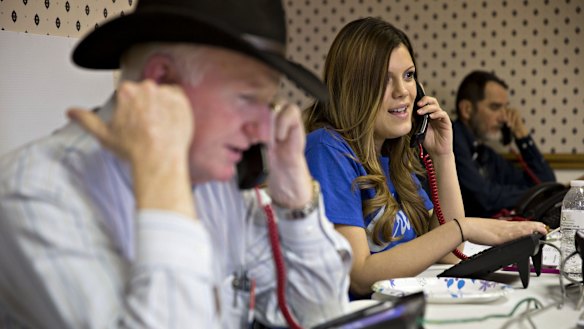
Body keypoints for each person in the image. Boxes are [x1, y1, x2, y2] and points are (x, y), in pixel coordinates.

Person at [0, 1, 352, 328]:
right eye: (246, 98)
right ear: (162, 82)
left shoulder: (217, 182)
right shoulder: (36, 193)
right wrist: (164, 186)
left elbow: (319, 314)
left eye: (268, 103)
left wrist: (295, 201)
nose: (263, 129)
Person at [303, 17, 548, 298]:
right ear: (352, 88)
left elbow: (449, 253)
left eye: (408, 75)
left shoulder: (394, 157)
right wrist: (463, 228)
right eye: (384, 80)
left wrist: (443, 155)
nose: (403, 92)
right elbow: (358, 276)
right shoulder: (327, 150)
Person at [452, 70, 556, 217]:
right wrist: (536, 194)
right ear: (467, 109)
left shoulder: (484, 152)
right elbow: (483, 197)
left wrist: (522, 136)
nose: (503, 117)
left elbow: (546, 182)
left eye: (505, 108)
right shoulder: (451, 141)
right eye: (495, 107)